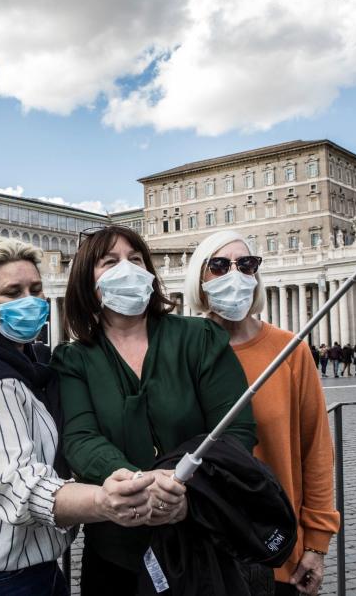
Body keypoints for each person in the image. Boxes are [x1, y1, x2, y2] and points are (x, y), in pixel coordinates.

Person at [0, 238, 155, 595]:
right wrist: (103, 501)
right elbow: (20, 487)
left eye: (35, 289)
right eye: (12, 292)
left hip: (28, 570)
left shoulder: (31, 367)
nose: (29, 300)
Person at [51, 226, 256, 595]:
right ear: (86, 280)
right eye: (110, 262)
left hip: (203, 542)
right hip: (115, 555)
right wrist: (139, 485)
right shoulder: (73, 359)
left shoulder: (200, 338)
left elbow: (236, 431)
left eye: (136, 259)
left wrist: (185, 495)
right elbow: (81, 438)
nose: (126, 268)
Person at [183, 231, 340, 596]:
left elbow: (315, 451)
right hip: (201, 551)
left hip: (276, 548)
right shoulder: (180, 348)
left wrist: (316, 545)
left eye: (247, 265)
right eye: (219, 266)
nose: (235, 275)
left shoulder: (290, 350)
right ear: (199, 278)